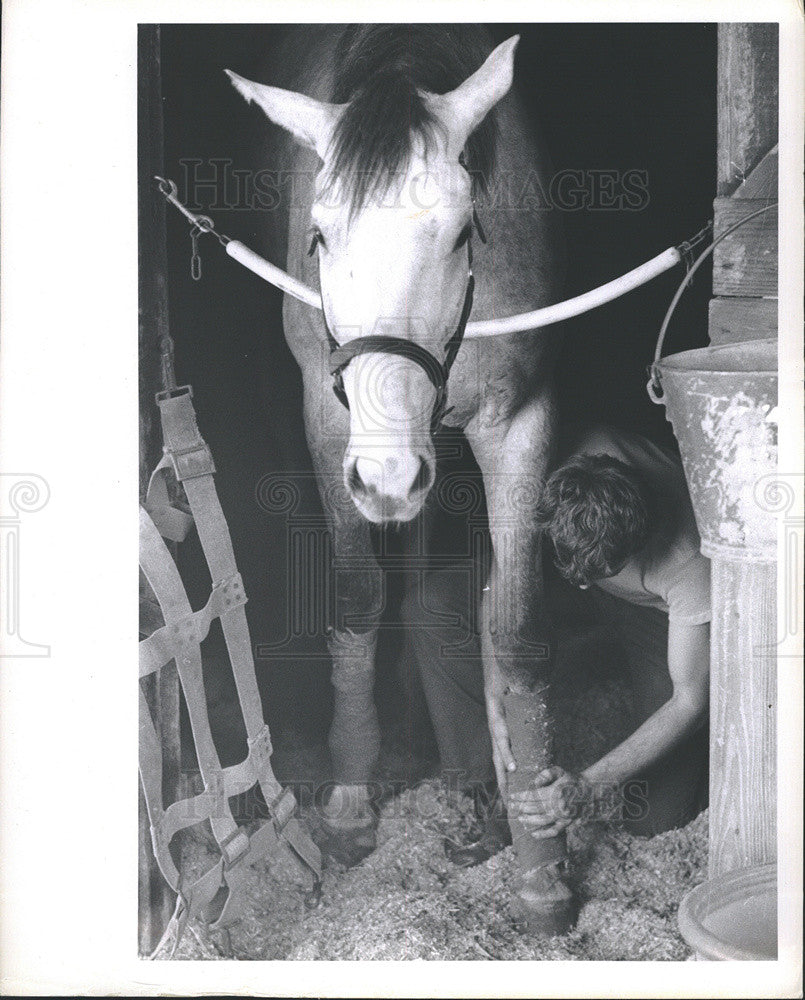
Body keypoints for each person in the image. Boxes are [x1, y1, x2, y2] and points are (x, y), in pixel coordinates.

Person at [401, 424, 710, 863]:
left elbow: (689, 701)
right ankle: (490, 791)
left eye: (598, 571)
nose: (585, 583)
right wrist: (495, 690)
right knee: (431, 606)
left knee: (654, 820)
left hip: (655, 613)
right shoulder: (547, 470)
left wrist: (588, 785)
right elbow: (505, 576)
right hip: (548, 575)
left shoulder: (690, 556)